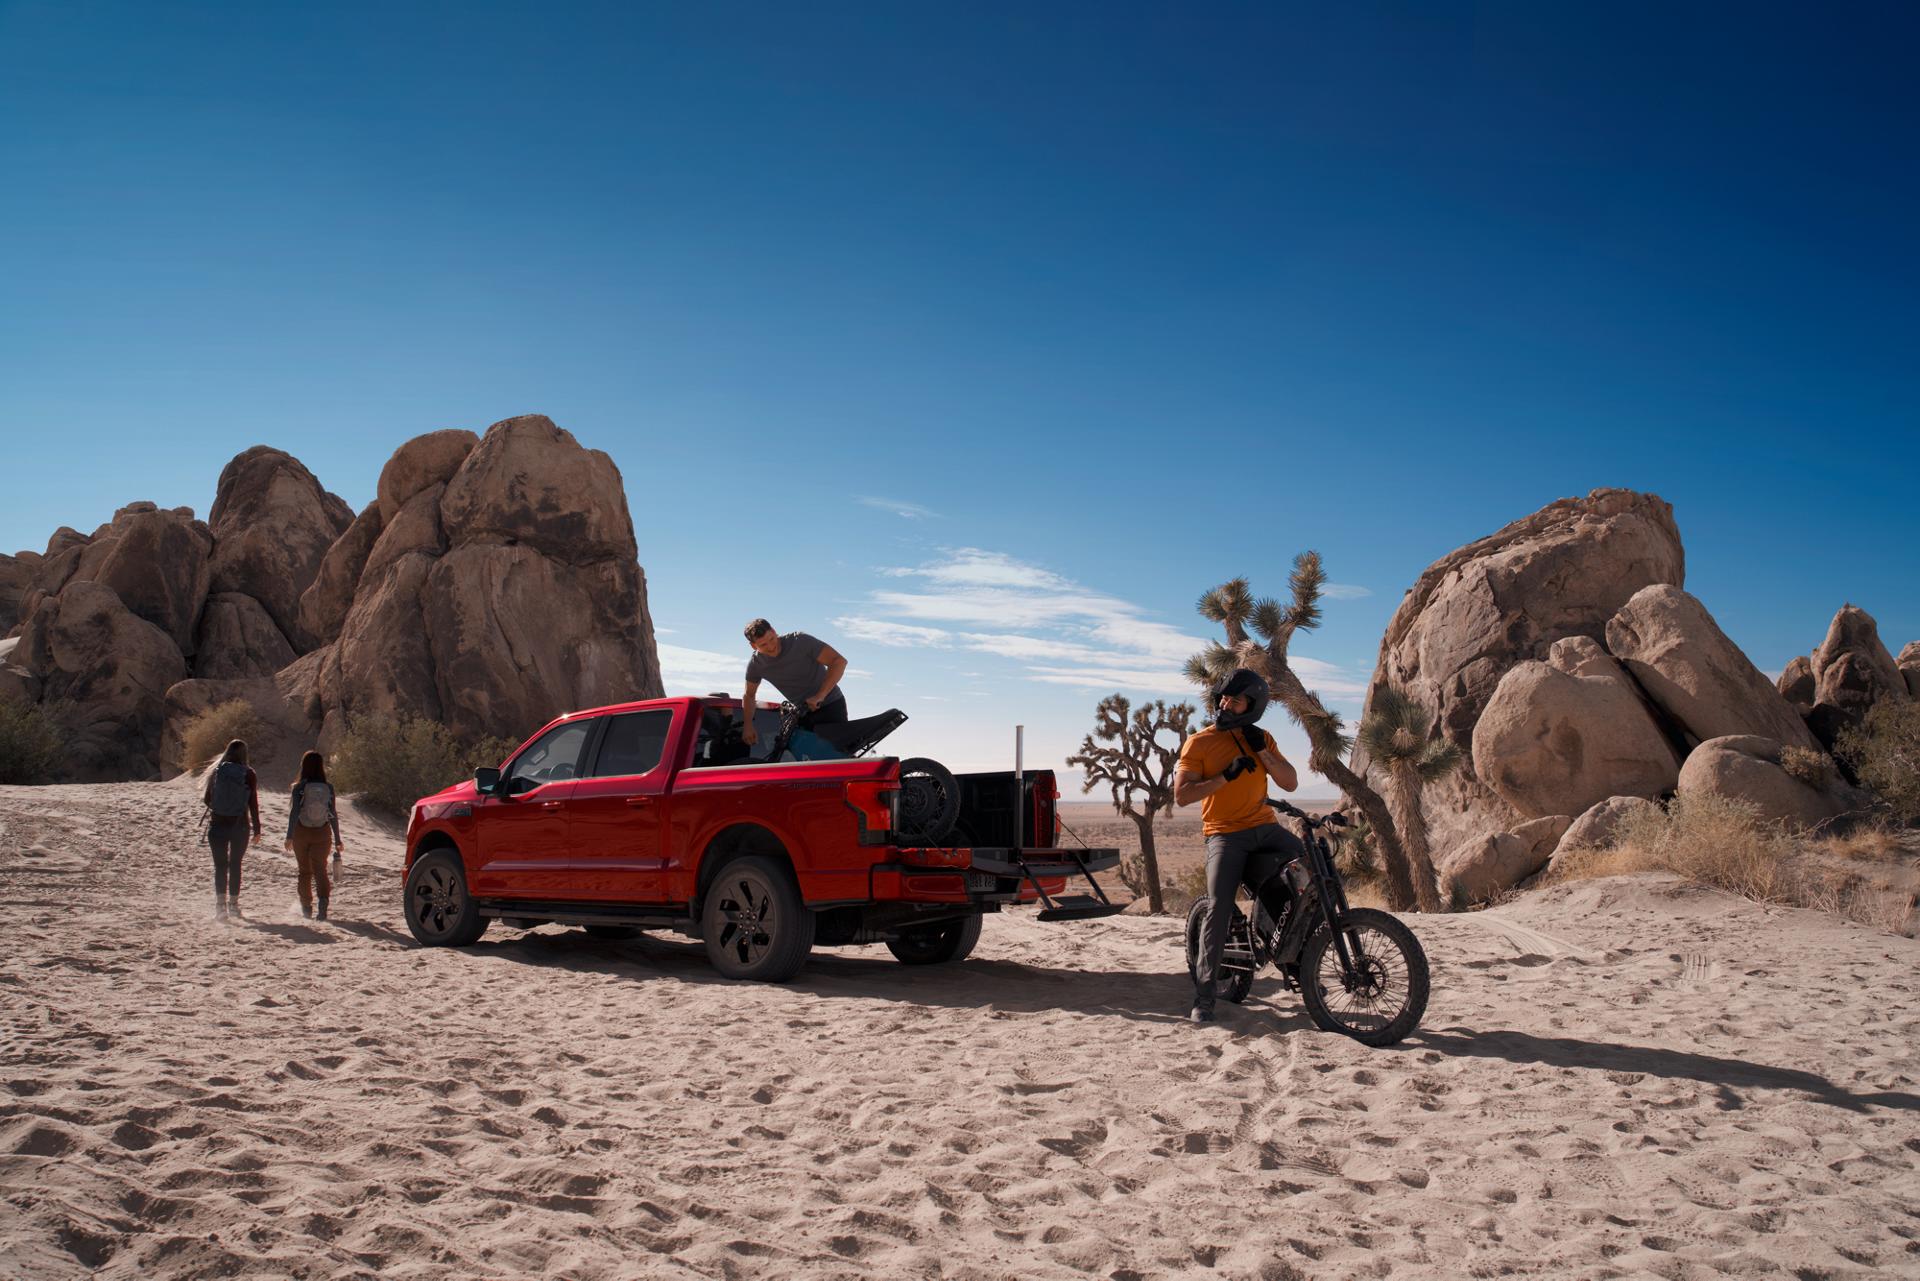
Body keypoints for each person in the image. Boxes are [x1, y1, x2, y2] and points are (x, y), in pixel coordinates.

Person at [1172, 669, 1302, 1024]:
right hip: (1224, 834)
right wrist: (1223, 777)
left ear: (1252, 707)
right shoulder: (1199, 743)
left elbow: (1289, 783)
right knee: (1218, 907)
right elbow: (1182, 795)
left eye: (1235, 700)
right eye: (1223, 698)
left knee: (1312, 873)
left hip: (1266, 828)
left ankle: (1297, 959)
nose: (1225, 705)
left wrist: (1264, 753)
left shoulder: (1261, 738)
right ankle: (1204, 998)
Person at [739, 619, 849, 748]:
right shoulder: (756, 665)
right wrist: (748, 725)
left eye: (772, 639)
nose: (771, 647)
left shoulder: (800, 641)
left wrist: (820, 695)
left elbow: (839, 661)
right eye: (763, 645)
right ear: (753, 646)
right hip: (802, 713)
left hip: (831, 705)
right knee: (804, 758)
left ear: (774, 631)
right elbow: (749, 695)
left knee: (837, 754)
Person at [201, 739, 261, 920]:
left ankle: (220, 908)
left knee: (220, 866)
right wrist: (257, 828)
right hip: (239, 825)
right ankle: (234, 906)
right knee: (235, 865)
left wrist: (221, 806)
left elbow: (206, 800)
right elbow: (253, 803)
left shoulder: (217, 771)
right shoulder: (249, 773)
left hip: (217, 825)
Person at [284, 750, 344, 920]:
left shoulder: (299, 787)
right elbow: (332, 814)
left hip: (301, 832)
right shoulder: (329, 788)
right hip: (323, 833)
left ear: (304, 766)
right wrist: (338, 839)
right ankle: (323, 905)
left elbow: (295, 812)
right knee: (321, 870)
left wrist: (289, 836)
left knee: (304, 871)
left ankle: (306, 907)